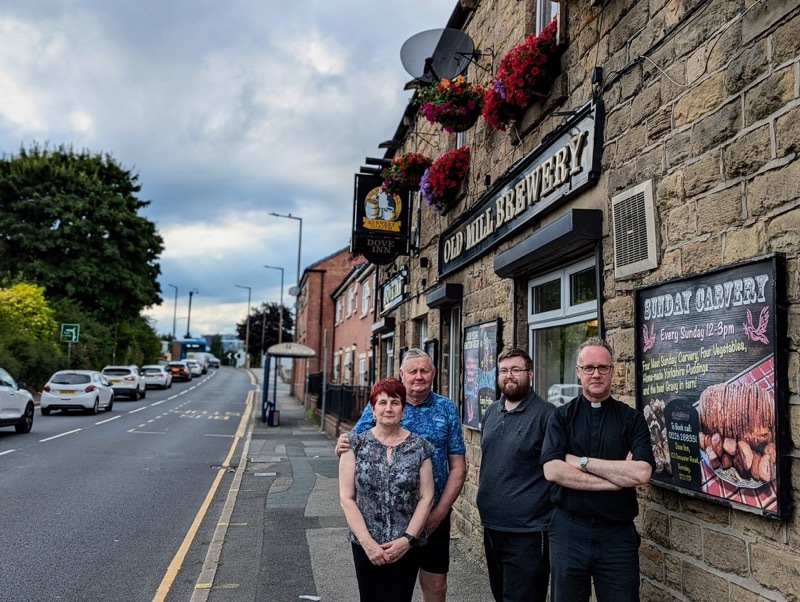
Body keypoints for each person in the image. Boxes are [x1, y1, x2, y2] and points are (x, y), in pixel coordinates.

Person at [337, 348, 467, 602]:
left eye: (424, 370)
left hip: (433, 512)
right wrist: (341, 446)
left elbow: (459, 466)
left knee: (435, 585)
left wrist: (439, 513)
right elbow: (352, 443)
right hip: (387, 517)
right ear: (402, 374)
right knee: (387, 588)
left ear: (432, 374)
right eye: (413, 371)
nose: (419, 376)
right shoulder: (383, 403)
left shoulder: (446, 408)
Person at [540, 337, 656, 602]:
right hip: (568, 530)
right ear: (579, 372)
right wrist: (615, 481)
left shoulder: (632, 419)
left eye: (603, 368)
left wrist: (580, 461)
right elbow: (553, 471)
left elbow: (641, 473)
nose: (596, 374)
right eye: (589, 368)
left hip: (616, 534)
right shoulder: (560, 417)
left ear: (612, 371)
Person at [339, 377, 435, 602]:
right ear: (373, 409)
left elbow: (426, 497)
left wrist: (407, 540)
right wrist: (368, 544)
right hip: (366, 543)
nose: (388, 408)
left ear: (403, 409)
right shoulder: (354, 445)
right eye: (382, 403)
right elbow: (347, 498)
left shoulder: (420, 447)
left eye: (395, 402)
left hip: (406, 545)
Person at [477, 348, 555, 602]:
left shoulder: (546, 415)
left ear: (530, 374)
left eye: (516, 370)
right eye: (504, 370)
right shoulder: (491, 412)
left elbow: (556, 468)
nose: (509, 375)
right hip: (492, 527)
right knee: (500, 596)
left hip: (528, 533)